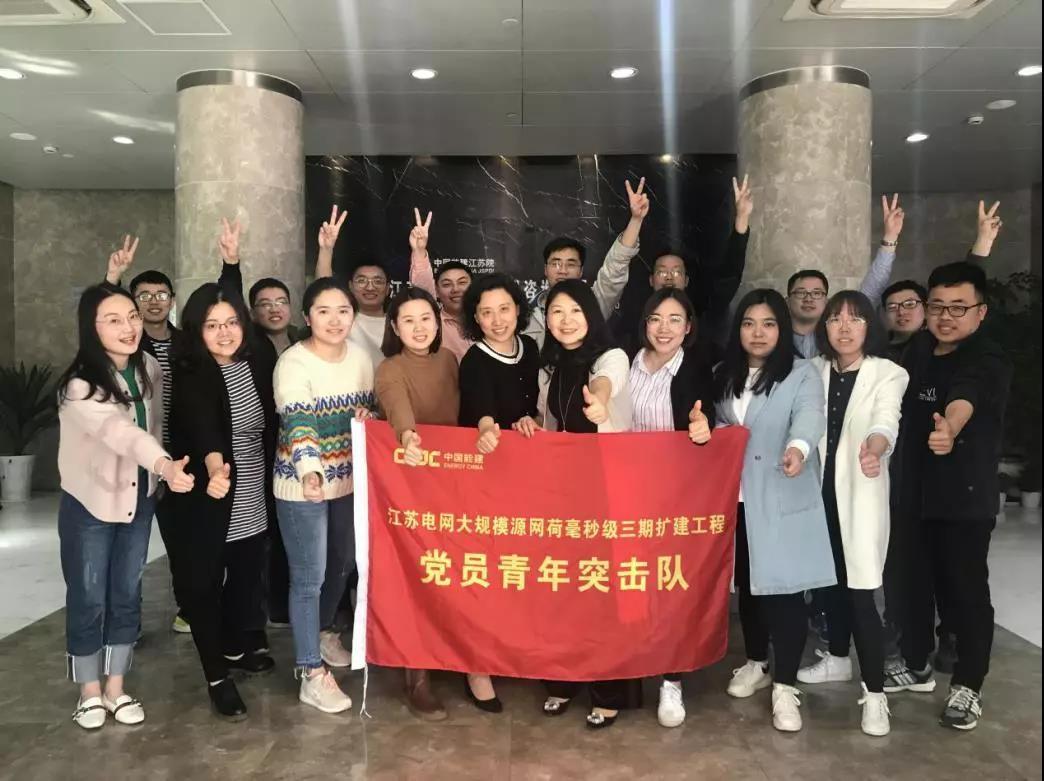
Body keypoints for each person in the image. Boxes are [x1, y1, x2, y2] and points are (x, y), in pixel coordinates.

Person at [56, 283, 194, 729]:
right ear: (92, 328)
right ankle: (89, 692)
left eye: (132, 317)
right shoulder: (79, 386)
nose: (129, 327)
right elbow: (122, 433)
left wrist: (159, 474)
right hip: (91, 503)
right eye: (114, 320)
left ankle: (116, 687)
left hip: (139, 496)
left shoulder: (148, 367)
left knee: (126, 593)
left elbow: (152, 426)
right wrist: (164, 464)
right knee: (89, 596)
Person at [884, 261, 1011, 732]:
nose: (946, 316)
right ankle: (916, 664)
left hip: (963, 499)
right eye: (937, 306)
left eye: (959, 307)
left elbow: (965, 395)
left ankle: (968, 684)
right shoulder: (918, 349)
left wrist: (950, 428)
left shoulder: (987, 357)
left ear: (981, 312)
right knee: (912, 586)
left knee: (964, 592)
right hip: (913, 494)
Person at [714, 289, 833, 733]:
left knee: (784, 593)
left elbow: (809, 417)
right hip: (738, 500)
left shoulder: (801, 374)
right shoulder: (724, 373)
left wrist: (798, 448)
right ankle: (756, 662)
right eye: (749, 323)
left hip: (781, 495)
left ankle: (785, 685)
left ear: (782, 329)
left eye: (768, 324)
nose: (758, 333)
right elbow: (720, 423)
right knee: (750, 588)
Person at [797, 291, 908, 737]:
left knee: (861, 593)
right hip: (815, 495)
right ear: (824, 327)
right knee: (829, 586)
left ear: (869, 327)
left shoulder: (888, 373)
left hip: (859, 495)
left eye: (855, 319)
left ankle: (876, 695)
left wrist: (875, 450)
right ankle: (837, 658)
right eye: (836, 319)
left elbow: (886, 421)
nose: (844, 327)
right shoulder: (811, 370)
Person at [523, 279, 632, 728]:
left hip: (605, 493)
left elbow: (606, 385)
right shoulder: (548, 365)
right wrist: (530, 423)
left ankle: (607, 690)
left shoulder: (611, 357)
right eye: (556, 312)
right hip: (560, 493)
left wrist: (599, 404)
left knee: (600, 590)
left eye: (575, 311)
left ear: (591, 314)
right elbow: (547, 418)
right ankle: (562, 679)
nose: (565, 320)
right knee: (561, 587)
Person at [168, 283, 278, 721]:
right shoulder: (192, 373)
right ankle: (217, 676)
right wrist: (216, 470)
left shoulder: (256, 362)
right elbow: (204, 428)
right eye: (212, 325)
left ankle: (234, 646)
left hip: (252, 488)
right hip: (207, 494)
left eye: (232, 322)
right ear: (196, 331)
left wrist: (231, 268)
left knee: (247, 576)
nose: (225, 332)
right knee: (204, 586)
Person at [274, 277, 376, 714]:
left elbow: (372, 409)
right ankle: (310, 673)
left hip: (349, 483)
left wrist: (369, 414)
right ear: (307, 317)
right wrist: (311, 471)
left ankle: (321, 633)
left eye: (343, 311)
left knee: (343, 564)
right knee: (308, 577)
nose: (335, 320)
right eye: (324, 311)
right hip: (303, 487)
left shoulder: (362, 358)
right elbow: (299, 420)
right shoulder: (293, 363)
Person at [626, 287, 716, 728]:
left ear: (688, 327)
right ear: (644, 323)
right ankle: (628, 671)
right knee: (630, 585)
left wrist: (702, 428)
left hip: (673, 497)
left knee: (669, 586)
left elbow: (706, 418)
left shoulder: (696, 370)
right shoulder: (626, 361)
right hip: (625, 492)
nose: (664, 328)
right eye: (656, 319)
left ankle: (671, 680)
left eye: (675, 319)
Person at [454, 273, 539, 713]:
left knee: (518, 570)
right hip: (484, 480)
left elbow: (533, 409)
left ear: (518, 310)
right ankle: (477, 666)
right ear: (475, 318)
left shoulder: (531, 349)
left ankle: (511, 649)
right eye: (486, 312)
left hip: (525, 480)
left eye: (504, 309)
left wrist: (529, 421)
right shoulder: (474, 360)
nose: (497, 319)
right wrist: (489, 429)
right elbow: (482, 415)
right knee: (483, 572)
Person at [374, 286, 459, 720]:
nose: (419, 328)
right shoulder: (389, 368)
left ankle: (456, 655)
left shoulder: (450, 361)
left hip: (457, 486)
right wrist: (408, 437)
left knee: (454, 576)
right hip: (410, 488)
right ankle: (417, 675)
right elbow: (397, 408)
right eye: (408, 320)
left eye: (426, 318)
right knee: (418, 576)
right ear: (394, 326)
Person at [103, 237, 191, 634]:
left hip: (180, 458)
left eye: (161, 295)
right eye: (144, 296)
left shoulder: (187, 343)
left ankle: (188, 608)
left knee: (182, 540)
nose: (154, 302)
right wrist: (112, 279)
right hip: (133, 461)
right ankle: (127, 621)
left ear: (172, 300)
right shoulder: (125, 345)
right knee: (128, 547)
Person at [611, 174, 753, 359]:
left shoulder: (702, 311)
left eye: (676, 272)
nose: (669, 277)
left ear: (686, 281)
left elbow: (729, 275)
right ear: (651, 280)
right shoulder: (635, 317)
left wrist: (742, 218)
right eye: (662, 272)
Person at [522, 177, 650, 348]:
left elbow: (615, 268)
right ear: (546, 269)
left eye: (571, 264)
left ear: (581, 271)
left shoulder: (594, 304)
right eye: (556, 263)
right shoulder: (527, 313)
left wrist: (636, 220)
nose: (563, 270)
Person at [787, 194, 908, 359]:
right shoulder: (774, 335)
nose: (809, 299)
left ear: (827, 301)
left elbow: (874, 286)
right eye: (801, 293)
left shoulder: (839, 335)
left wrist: (890, 237)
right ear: (787, 300)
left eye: (817, 293)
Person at [312, 206, 392, 371]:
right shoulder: (344, 320)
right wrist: (326, 249)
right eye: (362, 280)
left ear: (388, 289)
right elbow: (324, 288)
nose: (370, 287)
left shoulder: (398, 322)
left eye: (377, 281)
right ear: (350, 286)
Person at [409, 208, 473, 361]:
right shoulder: (432, 324)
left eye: (462, 282)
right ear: (436, 291)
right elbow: (422, 289)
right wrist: (419, 250)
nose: (455, 289)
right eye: (447, 284)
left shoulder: (485, 318)